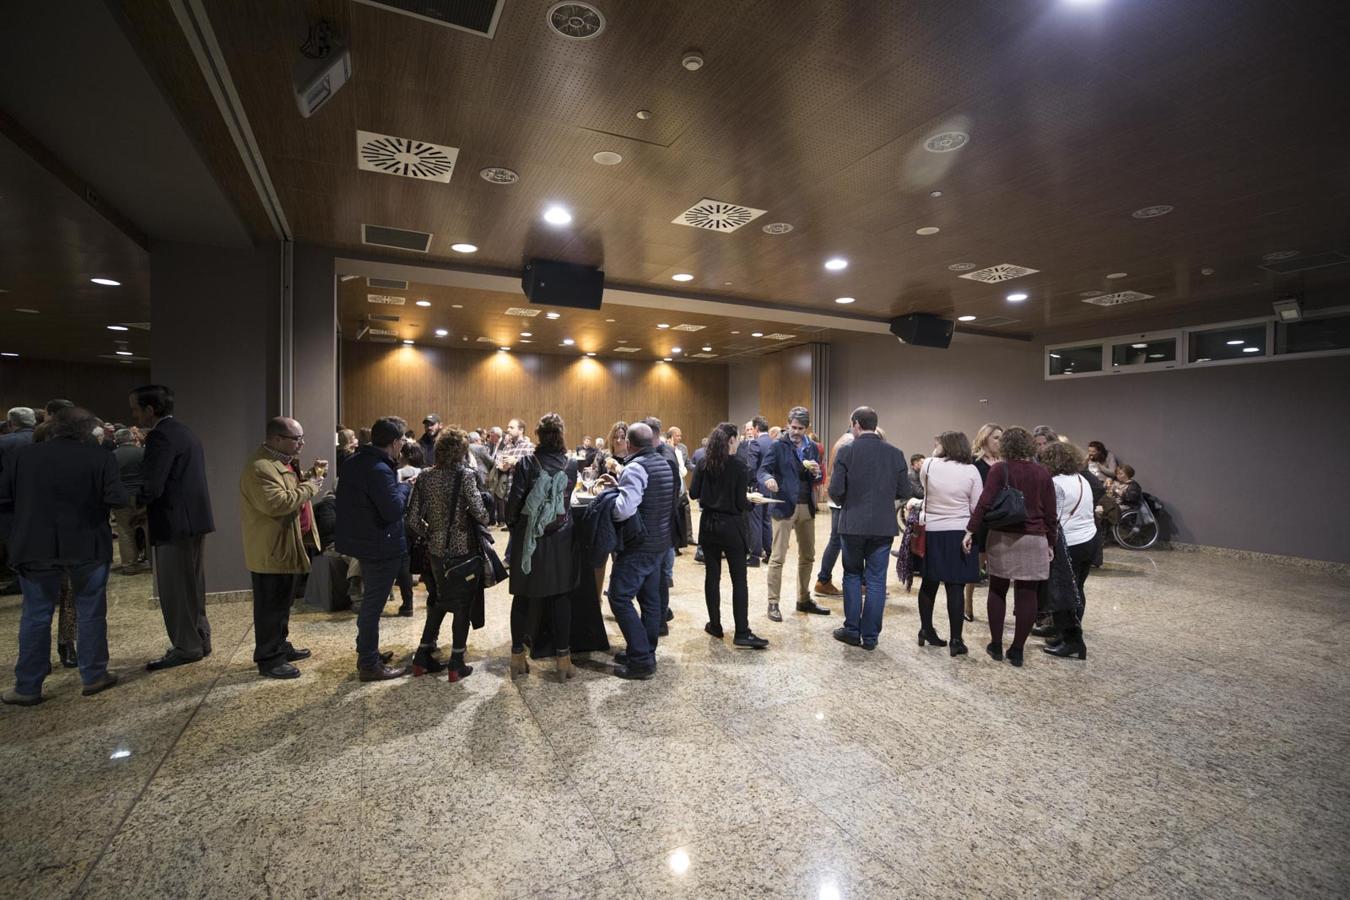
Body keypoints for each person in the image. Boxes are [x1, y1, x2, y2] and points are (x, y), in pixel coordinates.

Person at [1, 408, 127, 705]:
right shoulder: (100, 457)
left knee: (35, 614)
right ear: (86, 431)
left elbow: (4, 498)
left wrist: (17, 533)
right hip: (87, 544)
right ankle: (94, 675)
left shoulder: (24, 456)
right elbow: (117, 498)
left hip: (34, 545)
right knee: (91, 612)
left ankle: (28, 686)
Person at [130, 385, 216, 671]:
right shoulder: (185, 431)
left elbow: (154, 484)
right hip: (194, 520)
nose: (134, 414)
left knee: (175, 589)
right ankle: (200, 638)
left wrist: (136, 503)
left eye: (136, 408)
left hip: (173, 521)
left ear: (150, 409)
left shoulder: (161, 436)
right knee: (193, 584)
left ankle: (186, 646)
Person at [963, 426, 1057, 668]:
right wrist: (1051, 542)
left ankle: (995, 645)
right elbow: (1051, 514)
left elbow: (984, 503)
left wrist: (971, 530)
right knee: (1028, 593)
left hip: (1002, 536)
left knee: (998, 589)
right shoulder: (1042, 473)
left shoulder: (999, 469)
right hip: (1034, 537)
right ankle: (1017, 650)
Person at [239, 418, 325, 680]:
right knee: (271, 607)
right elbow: (277, 503)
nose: (302, 443)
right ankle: (269, 659)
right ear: (276, 439)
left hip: (288, 544)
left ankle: (280, 646)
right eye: (296, 439)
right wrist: (312, 486)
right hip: (271, 549)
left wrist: (309, 477)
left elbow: (290, 491)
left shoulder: (284, 462)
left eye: (301, 437)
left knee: (283, 603)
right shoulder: (259, 468)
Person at [405, 426, 490, 681]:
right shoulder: (465, 476)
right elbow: (481, 514)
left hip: (435, 551)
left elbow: (411, 520)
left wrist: (431, 532)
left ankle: (422, 655)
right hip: (462, 549)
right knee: (462, 605)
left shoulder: (425, 477)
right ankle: (456, 661)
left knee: (440, 600)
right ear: (462, 452)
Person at [828, 406, 910, 649]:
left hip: (852, 522)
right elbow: (905, 491)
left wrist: (847, 503)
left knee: (852, 575)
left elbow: (835, 490)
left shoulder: (846, 451)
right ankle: (871, 637)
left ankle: (852, 630)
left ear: (855, 424)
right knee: (876, 580)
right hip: (883, 526)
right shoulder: (896, 453)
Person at [505, 413, 579, 681]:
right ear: (561, 435)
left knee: (522, 597)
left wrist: (515, 528)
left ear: (538, 434)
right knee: (561, 598)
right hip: (560, 539)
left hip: (530, 540)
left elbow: (514, 503)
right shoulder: (571, 465)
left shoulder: (527, 462)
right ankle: (563, 661)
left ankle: (517, 659)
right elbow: (567, 503)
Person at [336, 416, 410, 681]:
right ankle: (369, 664)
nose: (404, 444)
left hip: (362, 541)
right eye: (402, 439)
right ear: (394, 442)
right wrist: (403, 488)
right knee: (373, 606)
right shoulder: (379, 469)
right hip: (380, 544)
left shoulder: (354, 461)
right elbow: (392, 510)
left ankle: (368, 652)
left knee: (371, 603)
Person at [603, 422, 675, 679]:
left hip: (638, 545)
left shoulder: (635, 467)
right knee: (650, 600)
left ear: (630, 444)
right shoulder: (664, 464)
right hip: (659, 543)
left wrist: (612, 495)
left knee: (619, 598)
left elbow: (623, 509)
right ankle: (645, 650)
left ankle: (641, 659)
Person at [690, 423, 768, 649]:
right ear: (731, 440)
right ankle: (742, 632)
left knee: (712, 576)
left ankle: (715, 625)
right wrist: (752, 501)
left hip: (708, 525)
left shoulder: (704, 463)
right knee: (739, 580)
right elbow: (741, 503)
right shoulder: (739, 466)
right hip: (732, 526)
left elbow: (694, 493)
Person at [913, 432, 983, 657]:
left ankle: (926, 629)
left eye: (938, 444)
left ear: (945, 446)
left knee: (929, 583)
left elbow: (927, 490)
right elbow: (976, 505)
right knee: (955, 587)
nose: (935, 447)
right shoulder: (971, 470)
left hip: (932, 531)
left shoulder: (930, 465)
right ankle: (956, 640)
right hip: (959, 533)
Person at [758, 406, 827, 621]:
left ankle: (803, 599)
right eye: (793, 427)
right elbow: (762, 470)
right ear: (787, 424)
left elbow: (816, 478)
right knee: (778, 557)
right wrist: (768, 479)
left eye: (800, 428)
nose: (795, 432)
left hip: (806, 506)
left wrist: (816, 474)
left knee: (808, 555)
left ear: (807, 428)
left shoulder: (813, 448)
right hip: (784, 506)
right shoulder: (778, 445)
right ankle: (773, 603)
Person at [1038, 441, 1095, 660]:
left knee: (1061, 594)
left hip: (1068, 543)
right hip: (1088, 541)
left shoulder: (1054, 483)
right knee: (1077, 590)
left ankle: (1073, 641)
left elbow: (1053, 518)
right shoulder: (1082, 479)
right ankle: (1065, 634)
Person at [963, 423, 1003, 621]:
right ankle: (967, 603)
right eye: (995, 437)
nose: (999, 442)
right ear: (984, 438)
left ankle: (996, 607)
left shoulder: (1005, 462)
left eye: (1001, 438)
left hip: (1002, 518)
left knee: (998, 567)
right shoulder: (974, 462)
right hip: (981, 518)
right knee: (975, 566)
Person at [0, 406, 38, 594]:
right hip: (42, 499)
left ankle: (22, 580)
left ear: (11, 423)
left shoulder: (4, 443)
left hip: (9, 502)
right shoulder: (46, 439)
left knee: (14, 542)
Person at [813, 430, 855, 598]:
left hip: (837, 497)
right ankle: (823, 580)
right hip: (841, 499)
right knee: (838, 540)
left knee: (836, 540)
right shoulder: (849, 442)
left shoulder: (842, 440)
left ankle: (824, 580)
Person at [592, 420, 629, 596]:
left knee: (620, 558)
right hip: (603, 510)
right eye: (615, 437)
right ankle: (596, 597)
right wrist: (597, 485)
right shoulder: (603, 455)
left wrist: (618, 468)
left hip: (623, 512)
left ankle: (617, 596)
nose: (619, 441)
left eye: (623, 437)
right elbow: (591, 481)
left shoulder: (632, 459)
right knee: (600, 556)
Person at [112, 428, 149, 574]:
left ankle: (129, 565)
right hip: (142, 496)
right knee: (148, 529)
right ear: (132, 438)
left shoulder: (111, 456)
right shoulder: (142, 453)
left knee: (125, 531)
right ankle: (152, 563)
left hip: (121, 497)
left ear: (116, 441)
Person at [739, 417, 773, 567]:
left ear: (757, 428)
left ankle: (754, 557)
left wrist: (745, 483)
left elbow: (751, 466)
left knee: (755, 522)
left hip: (757, 486)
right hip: (770, 486)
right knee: (767, 521)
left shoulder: (755, 443)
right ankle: (769, 553)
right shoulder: (774, 443)